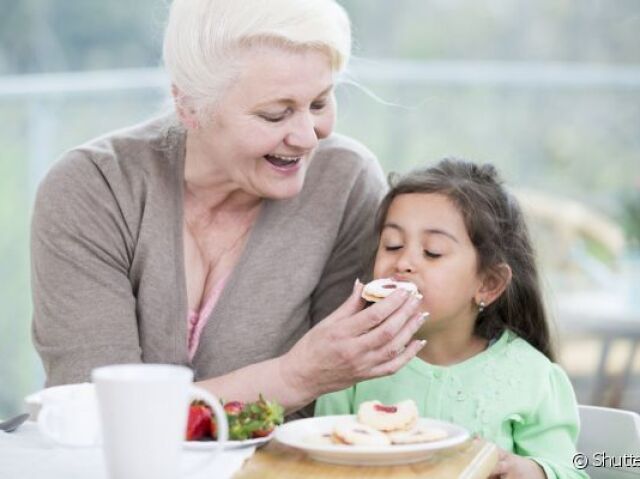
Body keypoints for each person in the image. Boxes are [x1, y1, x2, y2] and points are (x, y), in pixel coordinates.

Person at [31, 0, 427, 417]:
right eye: (276, 114)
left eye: (320, 103)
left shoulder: (344, 180)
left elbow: (350, 397)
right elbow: (96, 412)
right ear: (189, 107)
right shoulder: (95, 188)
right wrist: (294, 377)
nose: (309, 137)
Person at [316, 159, 587, 478]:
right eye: (392, 245)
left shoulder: (534, 378)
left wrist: (525, 470)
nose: (403, 262)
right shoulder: (351, 362)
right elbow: (322, 458)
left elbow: (570, 472)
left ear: (488, 284)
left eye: (432, 252)